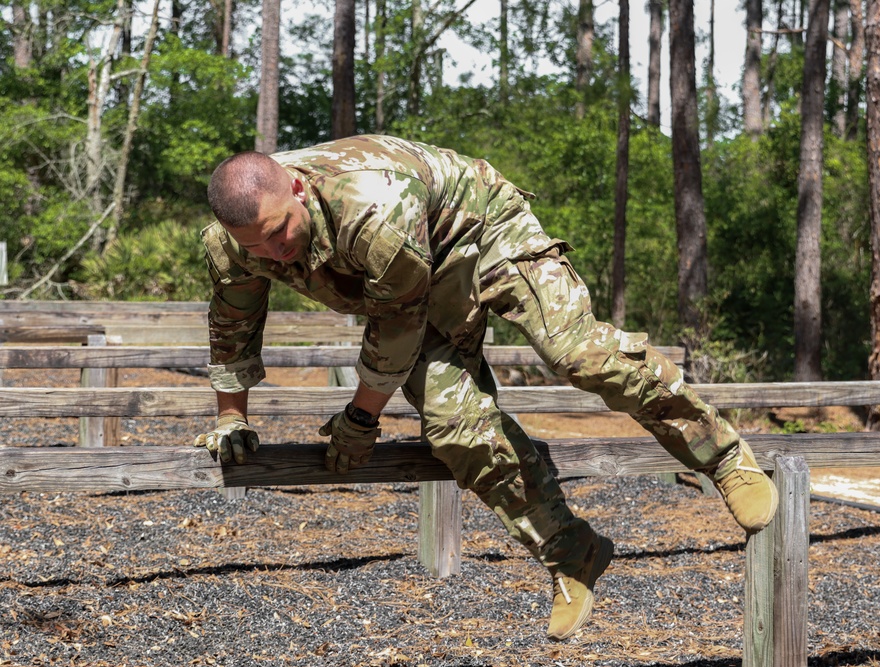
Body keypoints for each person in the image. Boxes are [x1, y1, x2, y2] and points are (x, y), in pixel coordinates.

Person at [193, 134, 778, 642]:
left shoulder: (372, 203)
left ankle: (722, 454)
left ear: (295, 189)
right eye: (256, 247)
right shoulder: (231, 243)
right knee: (454, 427)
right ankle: (570, 549)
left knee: (573, 352)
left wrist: (361, 419)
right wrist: (231, 418)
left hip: (482, 230)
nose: (274, 252)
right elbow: (233, 326)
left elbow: (396, 327)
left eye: (279, 233)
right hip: (415, 277)